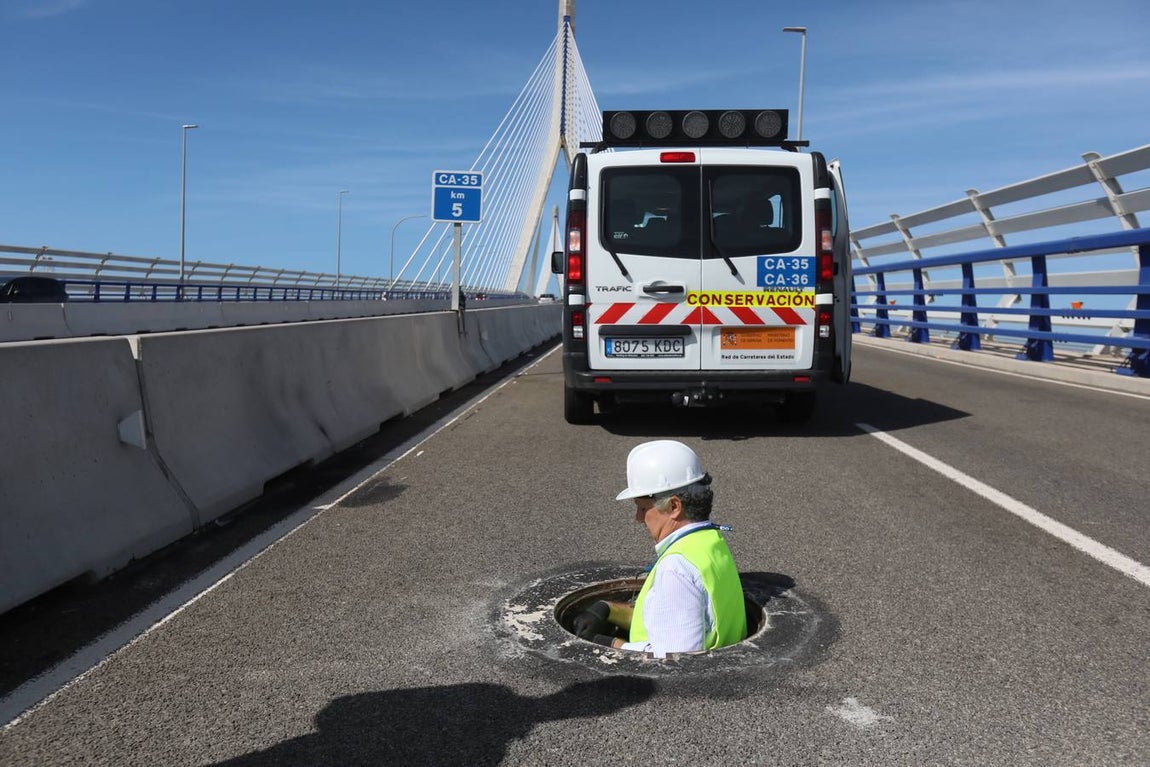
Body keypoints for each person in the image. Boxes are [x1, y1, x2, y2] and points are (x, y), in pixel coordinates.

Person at [573, 440, 747, 657]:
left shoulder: (676, 570)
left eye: (642, 508)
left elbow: (676, 657)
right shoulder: (710, 541)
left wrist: (608, 643)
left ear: (674, 507)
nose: (638, 518)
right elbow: (666, 617)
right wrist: (606, 609)